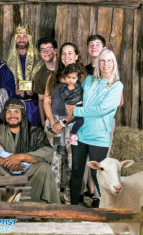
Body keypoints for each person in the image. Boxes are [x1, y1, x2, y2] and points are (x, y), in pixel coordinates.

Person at [66, 49, 123, 206]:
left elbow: (101, 109)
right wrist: (67, 102)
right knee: (77, 171)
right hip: (81, 132)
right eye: (102, 61)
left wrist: (76, 111)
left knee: (97, 172)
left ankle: (107, 205)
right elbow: (78, 97)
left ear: (114, 64)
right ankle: (74, 204)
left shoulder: (117, 86)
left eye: (109, 61)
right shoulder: (89, 80)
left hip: (99, 136)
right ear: (98, 63)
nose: (105, 64)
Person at [0, 98, 60, 204]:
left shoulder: (35, 132)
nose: (12, 115)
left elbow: (47, 152)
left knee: (44, 168)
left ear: (22, 114)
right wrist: (7, 161)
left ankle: (35, 207)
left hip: (28, 172)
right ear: (4, 114)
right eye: (9, 112)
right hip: (4, 171)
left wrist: (21, 157)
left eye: (16, 111)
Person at [43, 42, 86, 199]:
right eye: (64, 54)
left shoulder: (83, 78)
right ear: (60, 57)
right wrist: (53, 122)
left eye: (70, 53)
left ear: (76, 56)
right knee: (54, 161)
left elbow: (83, 105)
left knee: (71, 161)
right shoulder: (53, 76)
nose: (67, 56)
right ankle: (53, 196)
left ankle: (70, 196)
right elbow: (46, 100)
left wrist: (64, 122)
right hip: (54, 124)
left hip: (73, 124)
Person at [6, 25, 41, 126]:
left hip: (33, 107)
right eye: (18, 36)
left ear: (29, 39)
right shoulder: (6, 61)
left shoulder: (38, 60)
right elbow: (2, 85)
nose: (22, 39)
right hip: (13, 107)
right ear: (14, 40)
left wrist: (35, 90)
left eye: (24, 36)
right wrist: (13, 90)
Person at [33, 37, 58, 128]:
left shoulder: (64, 68)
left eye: (49, 49)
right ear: (40, 53)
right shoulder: (39, 74)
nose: (45, 52)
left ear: (55, 51)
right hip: (51, 118)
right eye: (42, 49)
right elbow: (41, 99)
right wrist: (43, 121)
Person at [59, 63, 83, 145]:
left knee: (81, 121)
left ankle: (73, 131)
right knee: (79, 121)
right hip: (70, 106)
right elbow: (62, 96)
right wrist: (68, 89)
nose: (71, 80)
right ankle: (72, 135)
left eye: (73, 78)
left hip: (79, 104)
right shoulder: (64, 87)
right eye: (68, 77)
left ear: (77, 78)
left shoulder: (79, 85)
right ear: (65, 77)